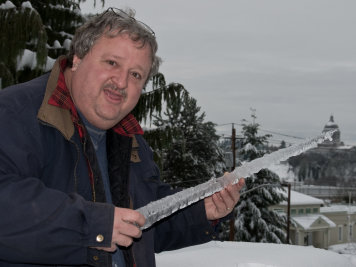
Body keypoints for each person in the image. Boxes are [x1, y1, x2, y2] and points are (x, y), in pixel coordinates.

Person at [0, 7, 245, 267]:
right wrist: (94, 225)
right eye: (112, 63)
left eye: (136, 74)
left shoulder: (128, 136)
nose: (121, 82)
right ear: (78, 58)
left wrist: (202, 212)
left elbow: (142, 222)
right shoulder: (16, 113)